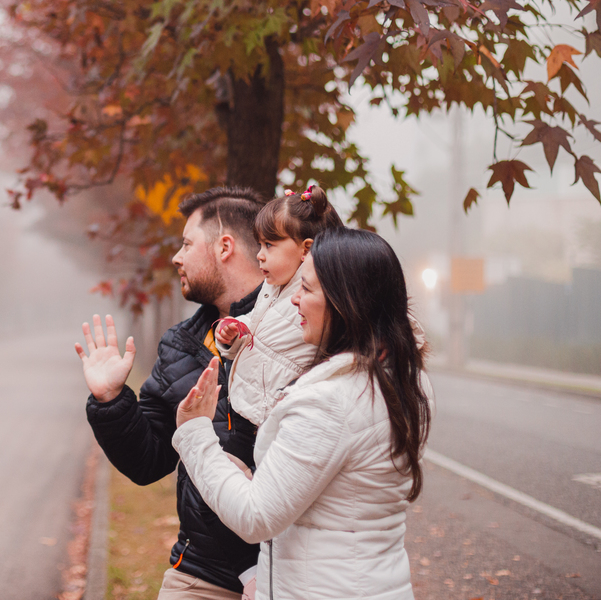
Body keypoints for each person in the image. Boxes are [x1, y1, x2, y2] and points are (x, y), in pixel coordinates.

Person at [172, 227, 433, 600]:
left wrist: (195, 433)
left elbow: (256, 516)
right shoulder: (398, 378)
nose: (294, 299)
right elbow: (340, 491)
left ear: (346, 302)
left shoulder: (331, 401)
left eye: (307, 288)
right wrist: (254, 475)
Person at [76, 187, 266, 599]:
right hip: (200, 576)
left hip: (291, 572)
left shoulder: (293, 329)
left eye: (186, 244)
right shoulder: (181, 345)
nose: (176, 258)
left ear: (225, 246)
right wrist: (111, 401)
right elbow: (147, 461)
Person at [214, 186, 344, 429]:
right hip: (247, 406)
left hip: (272, 418)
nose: (260, 255)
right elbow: (257, 322)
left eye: (269, 245)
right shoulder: (274, 284)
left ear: (306, 249)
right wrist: (236, 331)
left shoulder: (318, 298)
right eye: (259, 245)